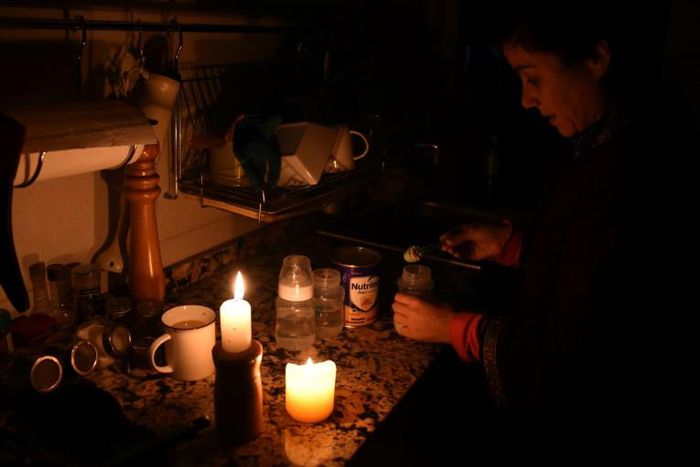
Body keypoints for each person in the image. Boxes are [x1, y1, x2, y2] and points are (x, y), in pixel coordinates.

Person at [392, 2, 696, 461]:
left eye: (532, 77)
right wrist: (513, 245)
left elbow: (578, 356)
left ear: (596, 59)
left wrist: (452, 327)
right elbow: (588, 258)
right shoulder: (605, 140)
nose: (525, 100)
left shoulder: (640, 168)